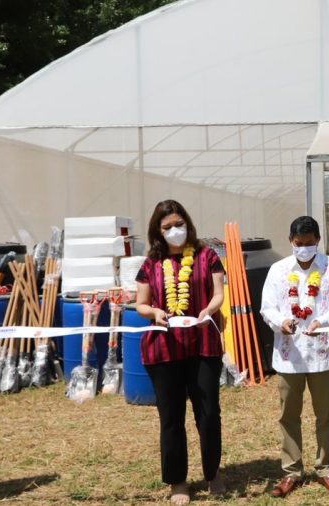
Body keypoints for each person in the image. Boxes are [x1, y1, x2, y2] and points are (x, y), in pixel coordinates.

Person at [133, 200, 226, 504]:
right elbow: (141, 304)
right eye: (167, 227)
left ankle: (213, 473)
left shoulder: (207, 256)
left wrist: (207, 311)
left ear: (187, 223)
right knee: (171, 417)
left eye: (179, 224)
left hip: (203, 344)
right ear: (157, 232)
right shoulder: (150, 264)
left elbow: (218, 294)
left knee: (208, 413)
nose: (175, 230)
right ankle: (178, 481)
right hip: (164, 349)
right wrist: (155, 313)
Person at [260, 216, 329, 498]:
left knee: (325, 415)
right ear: (291, 242)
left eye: (310, 244)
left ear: (318, 241)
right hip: (289, 355)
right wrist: (281, 323)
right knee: (289, 415)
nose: (304, 249)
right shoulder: (278, 270)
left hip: (322, 352)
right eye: (299, 244)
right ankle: (291, 471)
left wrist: (321, 321)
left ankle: (325, 469)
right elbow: (267, 308)